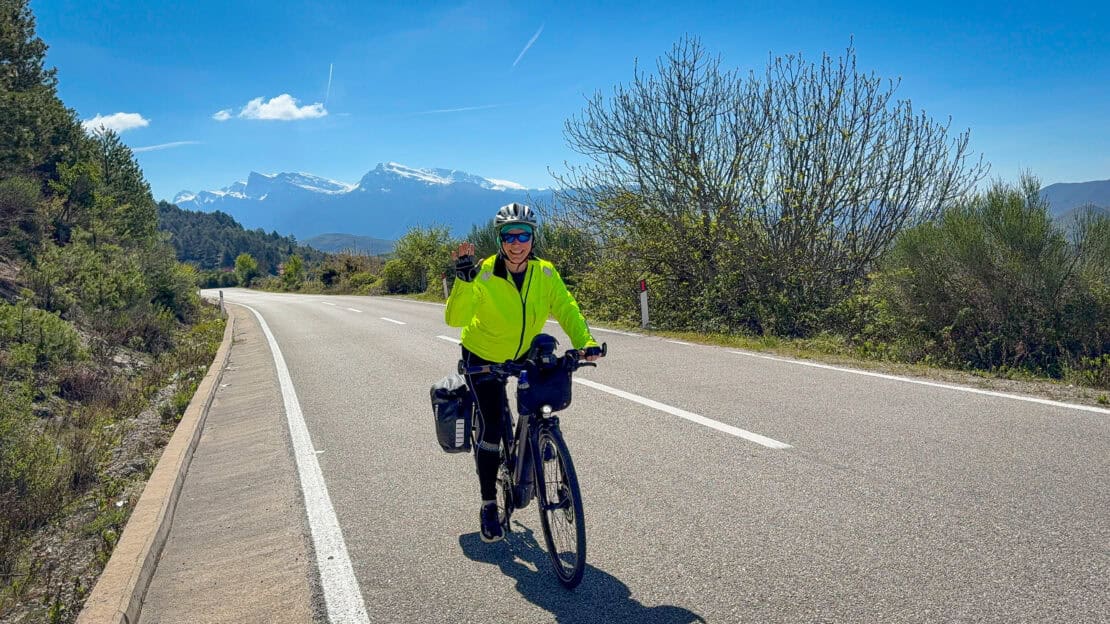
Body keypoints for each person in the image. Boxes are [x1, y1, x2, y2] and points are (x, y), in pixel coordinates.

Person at [445, 202, 601, 543]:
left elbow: (566, 307)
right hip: (483, 358)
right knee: (492, 428)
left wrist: (584, 341)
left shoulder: (544, 273)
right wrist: (464, 280)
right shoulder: (483, 272)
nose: (517, 243)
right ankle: (489, 504)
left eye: (524, 235)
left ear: (533, 238)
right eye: (509, 235)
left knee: (542, 402)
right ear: (500, 239)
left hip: (522, 356)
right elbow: (455, 320)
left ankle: (538, 442)